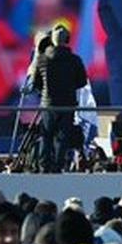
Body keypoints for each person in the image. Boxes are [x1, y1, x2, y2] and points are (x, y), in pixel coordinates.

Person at [32, 26, 87, 173]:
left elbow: (35, 83)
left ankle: (44, 167)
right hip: (67, 105)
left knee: (46, 136)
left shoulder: (41, 59)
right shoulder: (75, 60)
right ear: (67, 40)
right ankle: (58, 167)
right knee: (62, 138)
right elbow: (82, 82)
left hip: (47, 105)